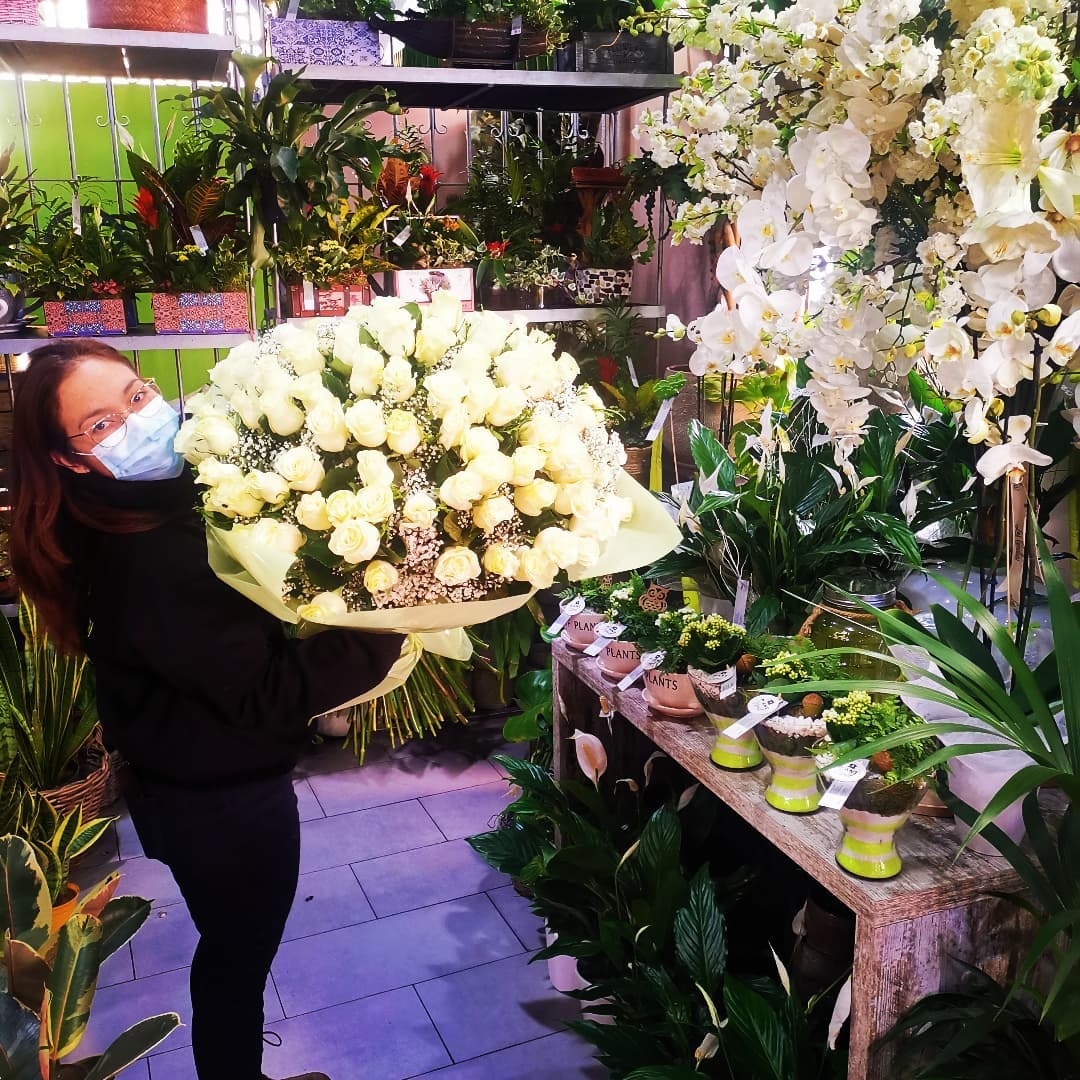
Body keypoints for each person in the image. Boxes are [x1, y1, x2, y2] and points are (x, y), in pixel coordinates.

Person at [10, 340, 404, 1080]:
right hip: (221, 804)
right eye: (101, 424)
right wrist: (392, 624)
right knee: (237, 956)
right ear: (67, 458)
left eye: (136, 396)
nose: (137, 420)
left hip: (186, 784)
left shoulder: (140, 509)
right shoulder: (147, 556)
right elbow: (266, 693)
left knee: (232, 950)